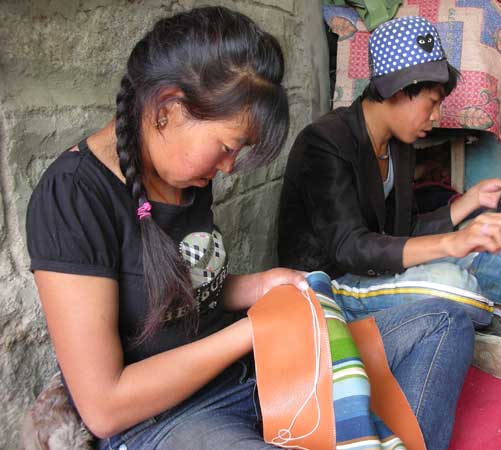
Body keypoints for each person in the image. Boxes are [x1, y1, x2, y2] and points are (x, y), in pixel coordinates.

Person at [26, 7, 473, 450]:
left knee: (444, 321)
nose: (228, 167)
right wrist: (253, 331)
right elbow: (105, 407)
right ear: (168, 109)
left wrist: (261, 286)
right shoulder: (72, 196)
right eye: (228, 146)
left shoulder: (184, 173)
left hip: (256, 372)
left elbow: (182, 291)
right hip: (170, 417)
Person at [278, 15, 501, 381]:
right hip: (335, 285)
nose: (436, 116)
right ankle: (495, 307)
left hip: (383, 268)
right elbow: (350, 249)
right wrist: (453, 243)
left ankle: (486, 311)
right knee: (452, 281)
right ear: (399, 91)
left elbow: (406, 230)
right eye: (432, 102)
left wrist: (469, 202)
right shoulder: (324, 143)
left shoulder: (398, 143)